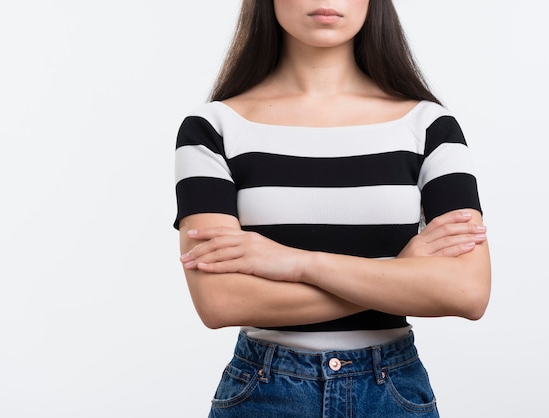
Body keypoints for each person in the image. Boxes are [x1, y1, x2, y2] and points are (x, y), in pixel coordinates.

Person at [174, 1, 491, 416]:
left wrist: (297, 263)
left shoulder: (429, 126)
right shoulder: (213, 128)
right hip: (264, 394)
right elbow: (221, 302)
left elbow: (467, 292)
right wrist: (398, 271)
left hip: (392, 393)